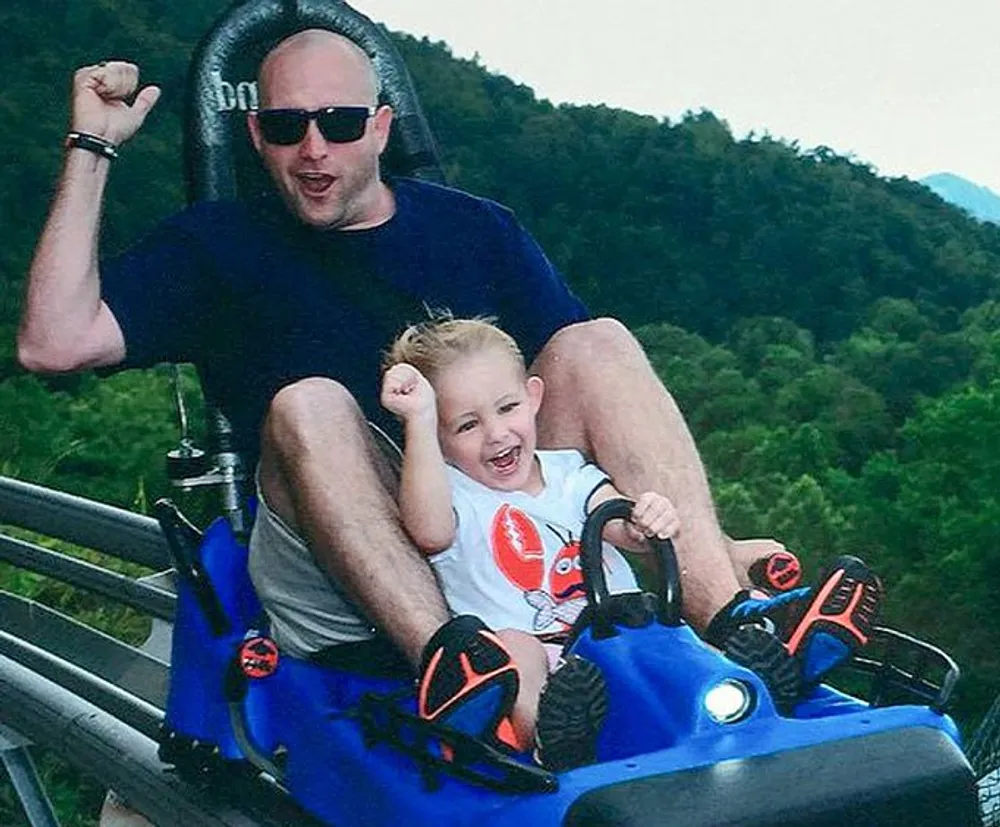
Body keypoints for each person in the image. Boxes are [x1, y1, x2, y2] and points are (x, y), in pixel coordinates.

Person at [18, 26, 881, 768]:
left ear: (382, 126)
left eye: (340, 122)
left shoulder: (476, 230)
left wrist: (685, 530)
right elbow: (51, 343)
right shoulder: (216, 245)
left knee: (598, 342)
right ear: (256, 133)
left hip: (494, 518)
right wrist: (92, 147)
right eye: (286, 126)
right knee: (311, 399)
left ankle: (735, 623)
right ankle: (456, 666)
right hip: (337, 542)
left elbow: (581, 401)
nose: (313, 149)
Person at [381, 316, 682, 768]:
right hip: (536, 658)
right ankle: (549, 734)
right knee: (513, 647)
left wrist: (647, 518)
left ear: (533, 397)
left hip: (617, 641)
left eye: (507, 409)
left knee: (673, 639)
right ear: (440, 441)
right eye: (466, 426)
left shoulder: (569, 474)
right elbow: (428, 531)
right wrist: (419, 419)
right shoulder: (453, 494)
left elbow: (620, 522)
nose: (496, 434)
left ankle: (748, 679)